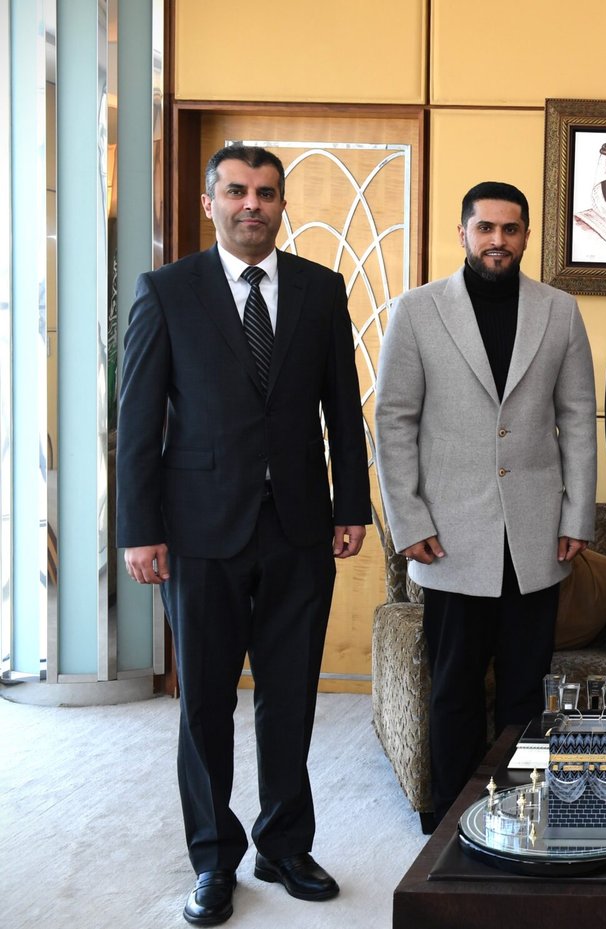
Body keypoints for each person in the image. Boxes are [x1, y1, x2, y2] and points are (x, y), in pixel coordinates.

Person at [117, 145, 370, 925]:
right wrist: (138, 528)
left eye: (265, 192)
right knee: (205, 704)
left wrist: (351, 505)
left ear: (282, 204)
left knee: (290, 697)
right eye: (235, 191)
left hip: (298, 526)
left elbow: (343, 409)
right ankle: (213, 857)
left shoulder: (321, 290)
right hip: (198, 531)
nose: (251, 204)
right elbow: (137, 419)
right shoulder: (167, 291)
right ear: (210, 203)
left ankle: (284, 844)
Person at [375, 181, 596, 826]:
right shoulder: (417, 310)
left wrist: (577, 514)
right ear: (463, 233)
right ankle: (451, 819)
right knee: (454, 688)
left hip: (535, 535)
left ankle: (520, 811)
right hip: (448, 537)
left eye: (510, 228)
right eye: (485, 228)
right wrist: (407, 519)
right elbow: (393, 421)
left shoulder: (559, 311)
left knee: (527, 691)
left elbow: (578, 419)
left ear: (525, 236)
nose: (497, 239)